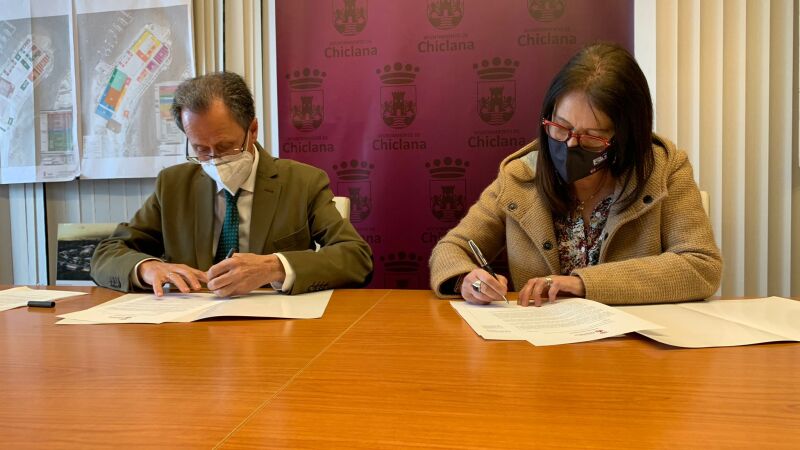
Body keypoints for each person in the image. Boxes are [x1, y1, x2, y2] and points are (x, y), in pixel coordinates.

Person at [429, 43, 722, 306]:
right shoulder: (521, 176)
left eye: (592, 136)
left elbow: (701, 265)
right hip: (540, 342)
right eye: (561, 127)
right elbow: (452, 248)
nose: (570, 144)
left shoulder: (664, 170)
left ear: (626, 136)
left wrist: (584, 284)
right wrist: (468, 280)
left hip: (634, 343)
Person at [91, 72, 373, 297]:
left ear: (253, 130)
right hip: (190, 331)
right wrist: (147, 268)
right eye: (201, 149)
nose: (215, 159)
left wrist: (275, 266)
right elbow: (107, 254)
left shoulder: (303, 182)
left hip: (276, 329)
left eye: (226, 146)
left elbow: (356, 257)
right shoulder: (173, 185)